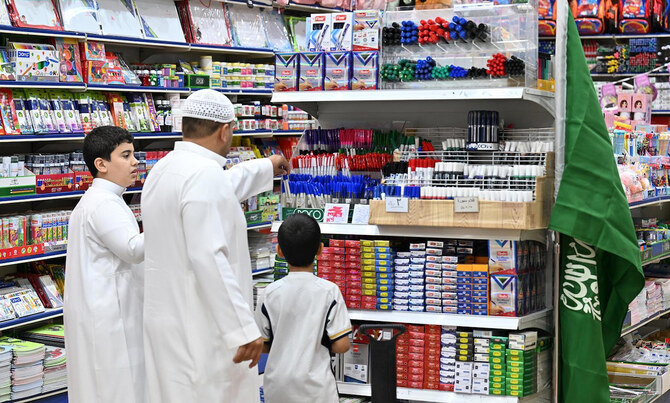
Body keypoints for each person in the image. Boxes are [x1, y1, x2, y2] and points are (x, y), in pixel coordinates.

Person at [141, 89, 290, 403]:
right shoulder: (205, 177)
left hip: (167, 322)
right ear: (225, 130)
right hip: (203, 327)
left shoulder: (163, 170)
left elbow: (222, 186)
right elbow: (208, 256)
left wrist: (267, 166)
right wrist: (242, 328)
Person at [64, 126, 145, 403]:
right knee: (115, 388)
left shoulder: (104, 199)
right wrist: (170, 219)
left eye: (134, 154)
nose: (135, 162)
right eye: (125, 155)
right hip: (109, 316)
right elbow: (133, 249)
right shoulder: (103, 204)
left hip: (104, 313)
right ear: (101, 164)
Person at [255, 213, 352, 403]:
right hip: (317, 387)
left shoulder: (270, 292)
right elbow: (342, 345)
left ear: (279, 251)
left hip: (278, 386)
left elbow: (262, 344)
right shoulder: (329, 291)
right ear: (320, 250)